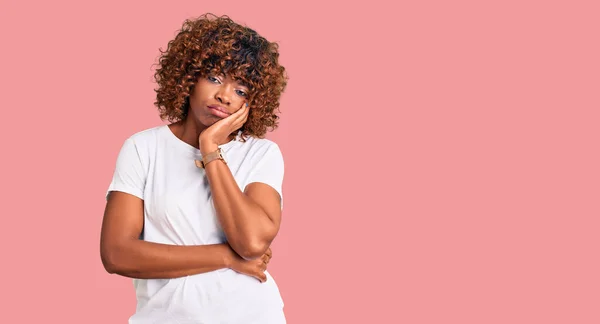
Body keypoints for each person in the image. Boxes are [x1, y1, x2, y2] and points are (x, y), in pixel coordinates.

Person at [100, 13, 289, 323]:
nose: (224, 96)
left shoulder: (262, 154)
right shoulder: (143, 148)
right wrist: (226, 258)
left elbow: (252, 243)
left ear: (253, 102)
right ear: (189, 77)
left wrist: (211, 149)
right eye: (214, 78)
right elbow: (116, 253)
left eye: (241, 90)